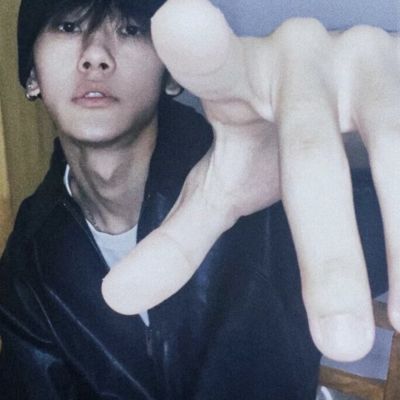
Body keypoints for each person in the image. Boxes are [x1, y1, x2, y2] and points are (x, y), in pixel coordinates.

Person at [0, 0, 394, 399]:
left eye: (131, 30)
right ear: (32, 76)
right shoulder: (29, 257)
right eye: (68, 28)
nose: (96, 56)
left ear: (171, 77)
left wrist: (359, 132)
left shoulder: (259, 181)